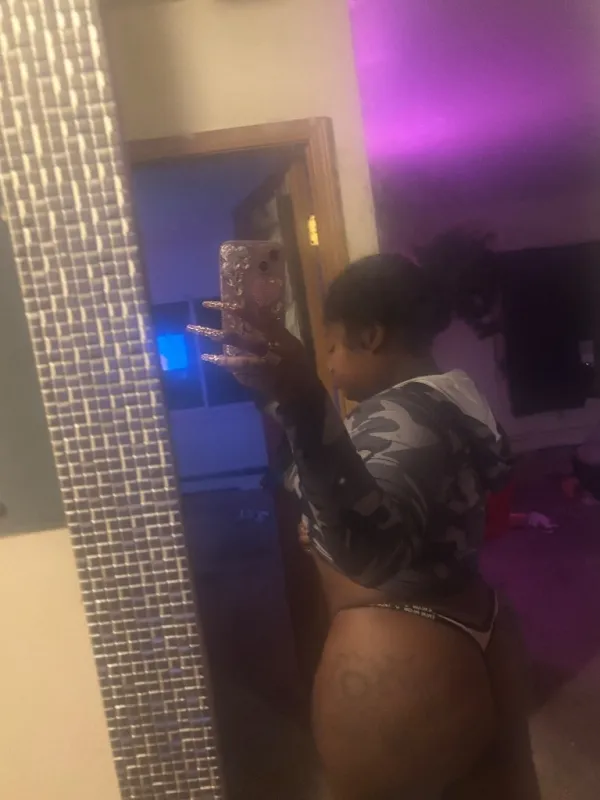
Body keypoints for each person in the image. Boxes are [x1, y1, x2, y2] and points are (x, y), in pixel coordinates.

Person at [193, 252, 540, 799]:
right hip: (474, 627)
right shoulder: (451, 401)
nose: (328, 363)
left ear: (371, 336)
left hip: (404, 653)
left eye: (332, 346)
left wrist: (303, 396)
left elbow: (368, 554)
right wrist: (280, 399)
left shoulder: (397, 416)